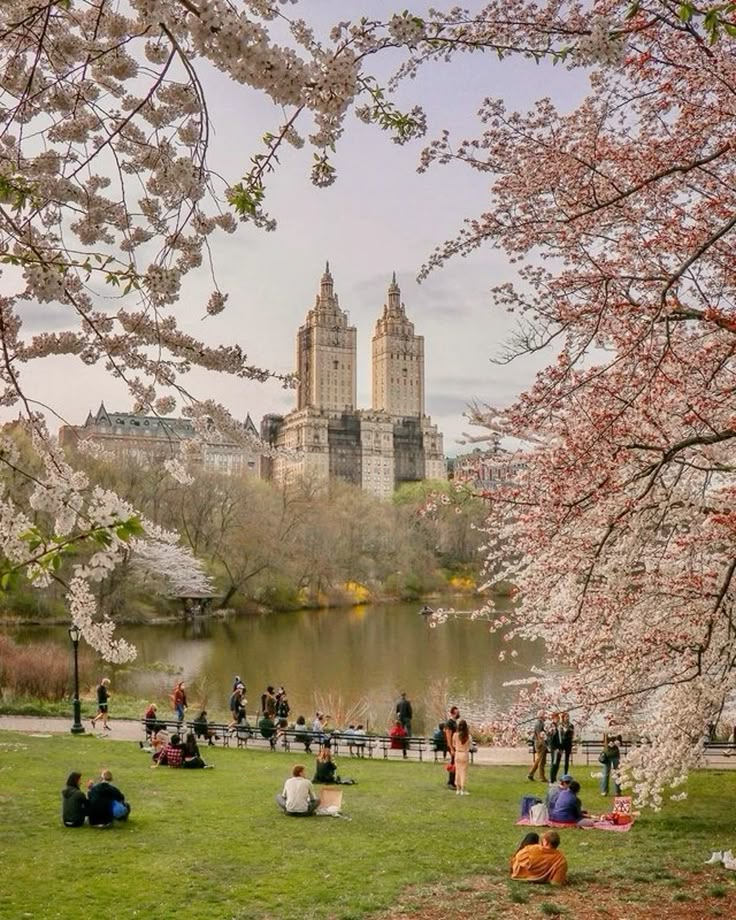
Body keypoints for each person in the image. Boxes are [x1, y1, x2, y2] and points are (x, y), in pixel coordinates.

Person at [452, 718, 472, 795]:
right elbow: (470, 747)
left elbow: (453, 744)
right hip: (464, 754)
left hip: (457, 753)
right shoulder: (468, 736)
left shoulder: (455, 735)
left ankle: (457, 789)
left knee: (457, 771)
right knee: (463, 772)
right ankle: (463, 789)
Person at [527, 710, 548, 782]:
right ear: (541, 716)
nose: (546, 716)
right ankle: (542, 777)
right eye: (545, 714)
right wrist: (544, 744)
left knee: (539, 760)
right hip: (540, 743)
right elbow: (539, 735)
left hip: (539, 743)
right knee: (541, 760)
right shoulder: (539, 724)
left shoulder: (541, 723)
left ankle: (531, 774)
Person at [600, 731, 622, 796]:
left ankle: (605, 791)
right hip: (610, 754)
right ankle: (616, 791)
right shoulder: (607, 732)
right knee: (610, 773)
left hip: (610, 754)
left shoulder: (616, 733)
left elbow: (605, 743)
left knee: (608, 773)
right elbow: (606, 742)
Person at [444, 706, 460, 788]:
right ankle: (450, 782)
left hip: (455, 746)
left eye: (458, 712)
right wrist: (451, 748)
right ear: (452, 713)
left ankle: (453, 781)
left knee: (455, 763)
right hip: (452, 746)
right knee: (453, 763)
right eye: (456, 713)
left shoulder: (454, 722)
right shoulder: (449, 723)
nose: (458, 714)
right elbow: (448, 736)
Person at [547, 713, 563, 784]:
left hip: (559, 747)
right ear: (553, 719)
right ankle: (551, 779)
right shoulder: (552, 727)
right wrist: (553, 748)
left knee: (557, 763)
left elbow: (560, 738)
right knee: (554, 763)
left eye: (558, 718)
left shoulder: (558, 726)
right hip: (554, 748)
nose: (558, 719)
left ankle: (554, 777)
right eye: (556, 718)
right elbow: (550, 739)